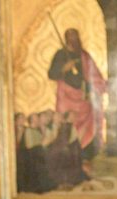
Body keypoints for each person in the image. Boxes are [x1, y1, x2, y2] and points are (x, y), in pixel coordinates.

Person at [47, 28, 106, 177]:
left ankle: (85, 159)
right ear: (66, 39)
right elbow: (51, 74)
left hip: (84, 100)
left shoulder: (84, 56)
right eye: (70, 37)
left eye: (75, 36)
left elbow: (94, 76)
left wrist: (102, 86)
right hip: (66, 98)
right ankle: (67, 163)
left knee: (88, 128)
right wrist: (64, 68)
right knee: (66, 128)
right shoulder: (61, 55)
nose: (73, 39)